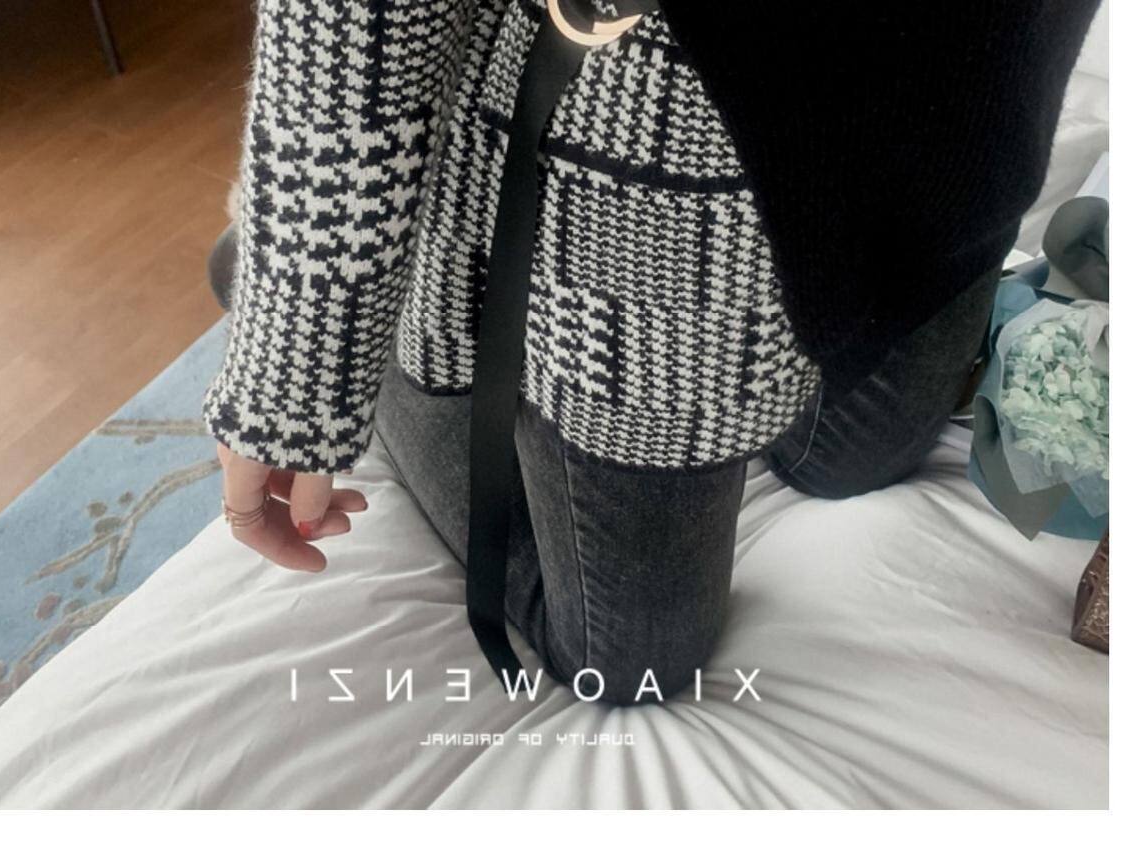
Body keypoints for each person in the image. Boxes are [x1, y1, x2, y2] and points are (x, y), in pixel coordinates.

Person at [206, 0, 1100, 704]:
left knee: (850, 462)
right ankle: (387, 321)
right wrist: (302, 338)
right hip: (664, 147)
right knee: (629, 659)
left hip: (976, 101)